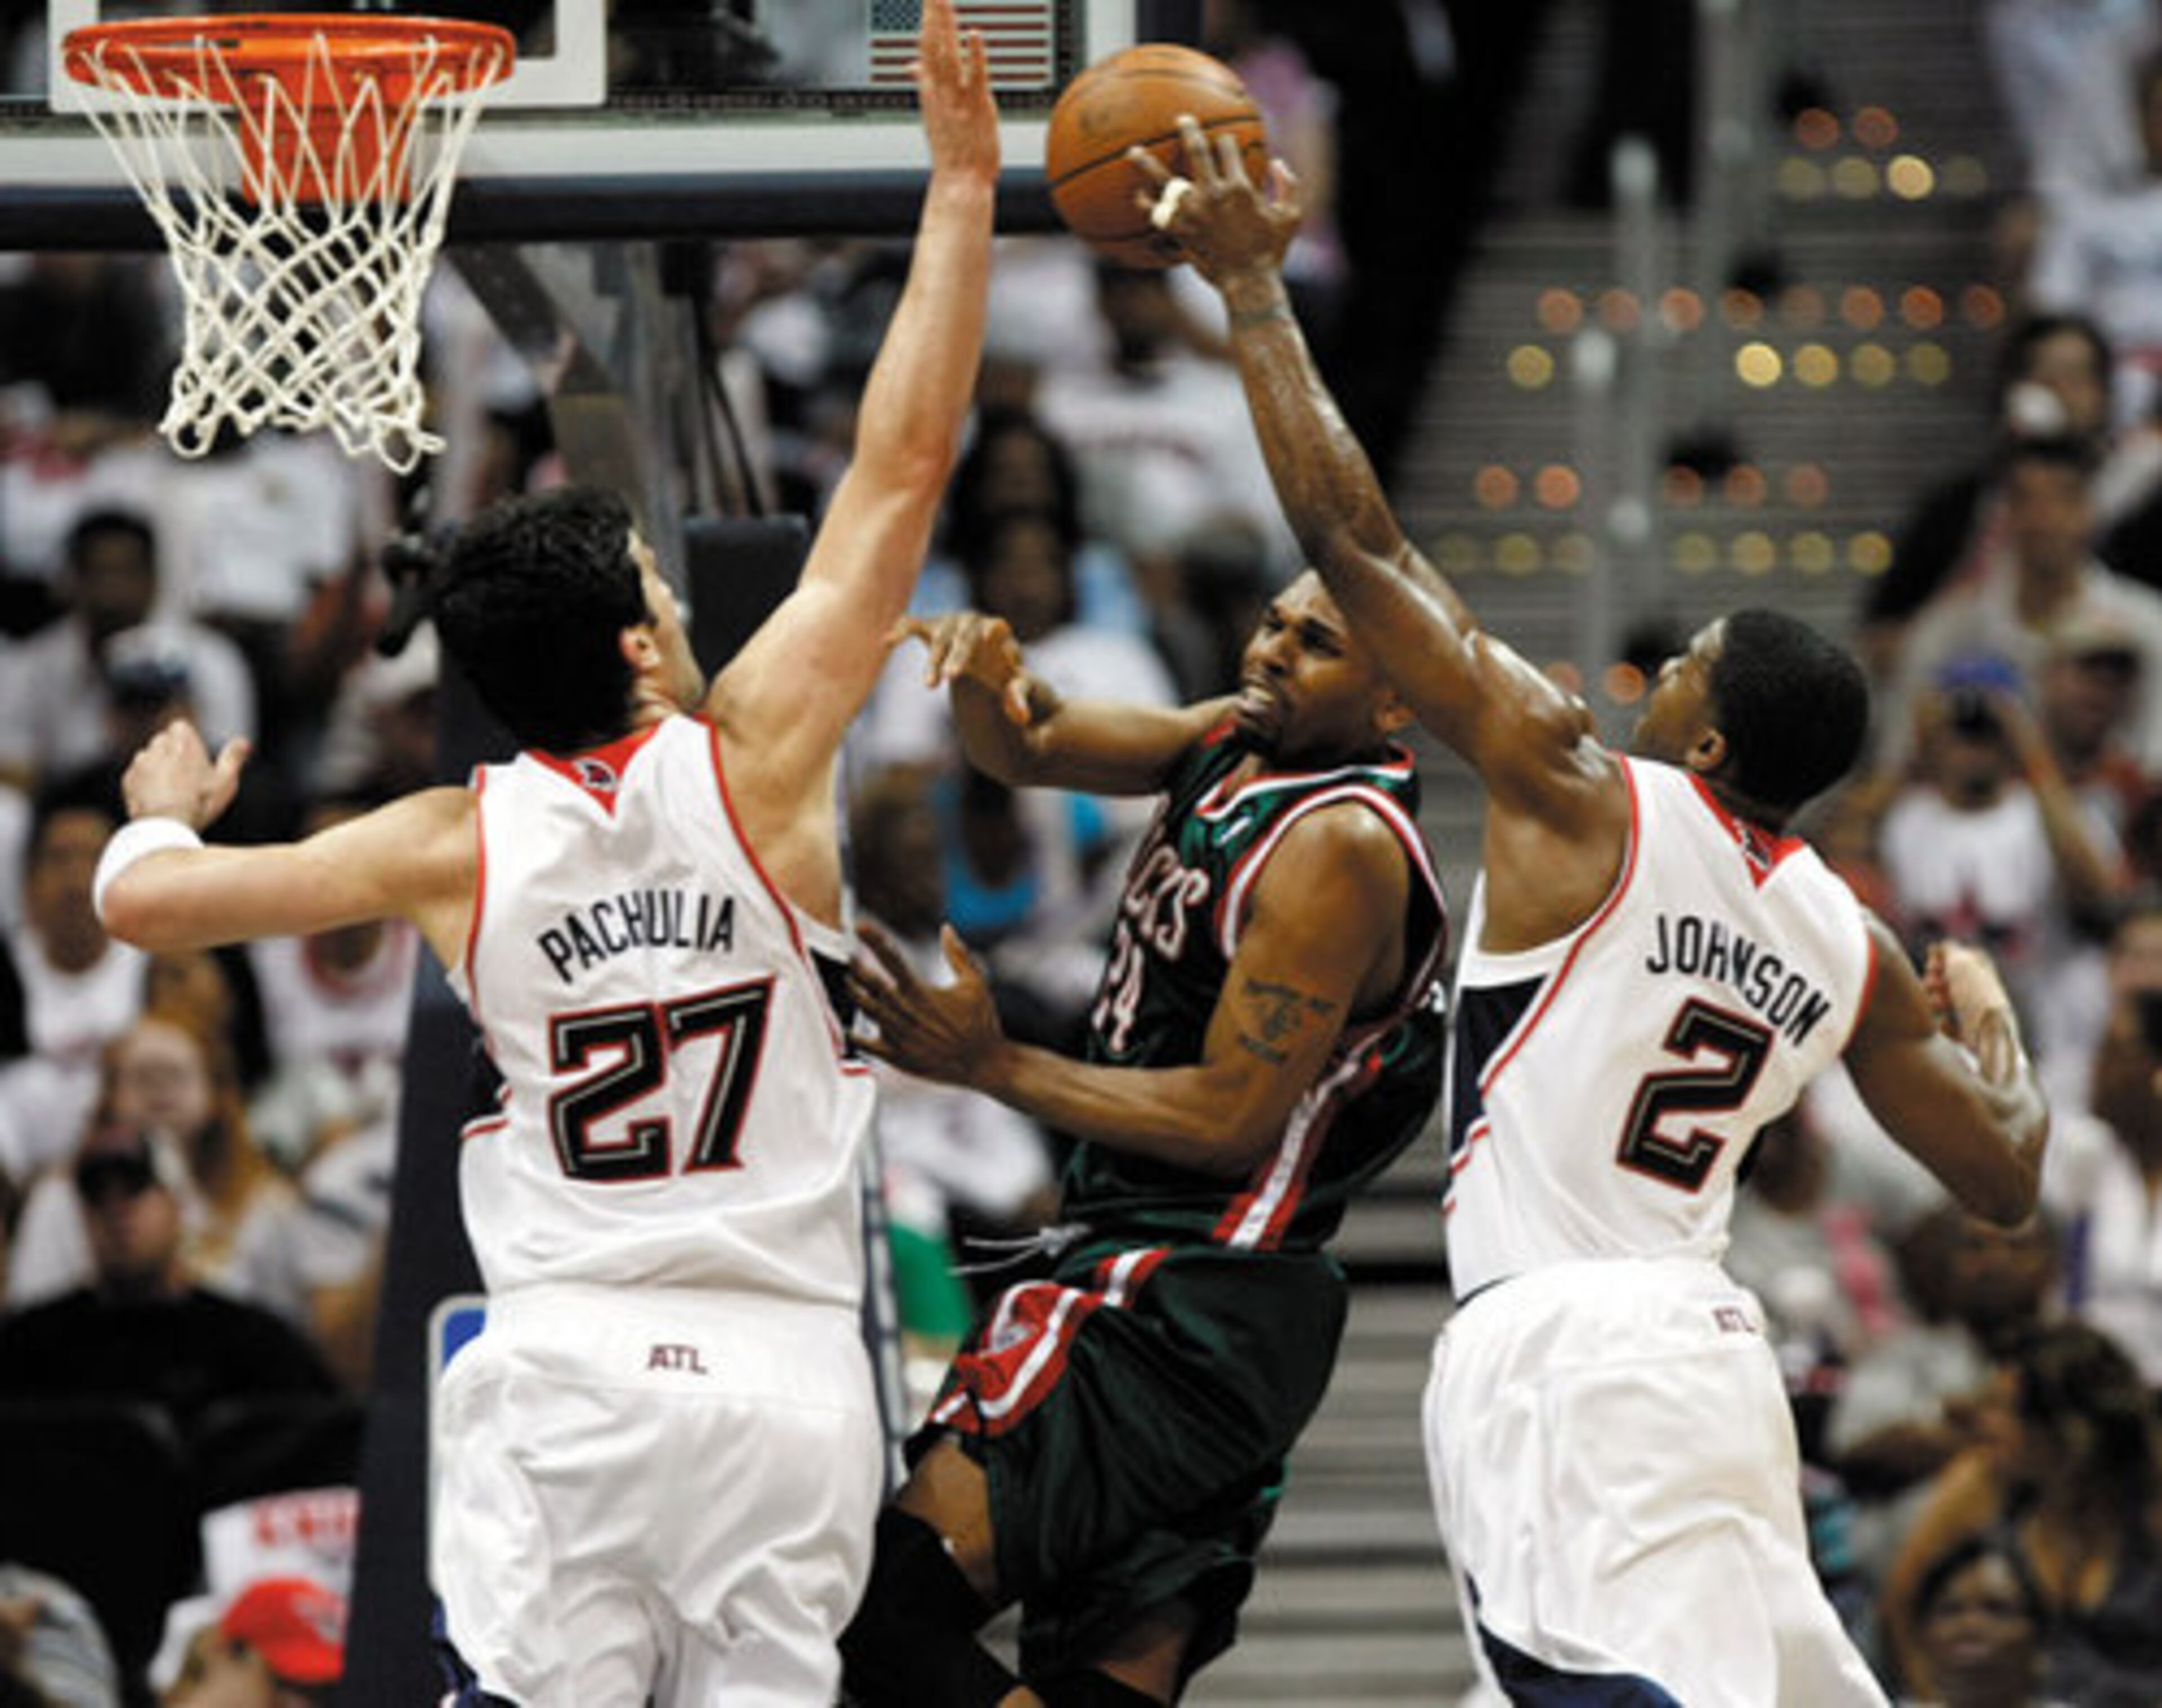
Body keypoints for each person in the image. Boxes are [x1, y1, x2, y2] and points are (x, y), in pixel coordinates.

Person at [86, 4, 999, 1700]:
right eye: (659, 591)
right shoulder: (764, 765)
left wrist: (161, 806)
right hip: (787, 1383)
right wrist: (957, 192)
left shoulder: (452, 838)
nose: (674, 603)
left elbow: (139, 903)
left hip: (568, 1377)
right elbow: (904, 467)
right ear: (645, 652)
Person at [1142, 120, 2051, 1703]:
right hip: (1713, 1349)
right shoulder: (1847, 937)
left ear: (1705, 740)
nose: (1653, 670)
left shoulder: (1587, 794)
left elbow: (1356, 544)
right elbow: (2004, 1177)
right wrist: (1996, 1025)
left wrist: (1251, 293)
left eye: (1682, 659)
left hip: (1561, 1351)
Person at [839, 573, 1450, 1706]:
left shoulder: (1341, 845)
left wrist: (996, 1065)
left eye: (1316, 643)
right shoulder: (1233, 738)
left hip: (1189, 1284)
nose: (1271, 648)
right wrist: (981, 681)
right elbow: (1037, 740)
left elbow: (1229, 1119)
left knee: (877, 1610)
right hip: (1200, 1288)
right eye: (1273, 618)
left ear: (1397, 699)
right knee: (1093, 1678)